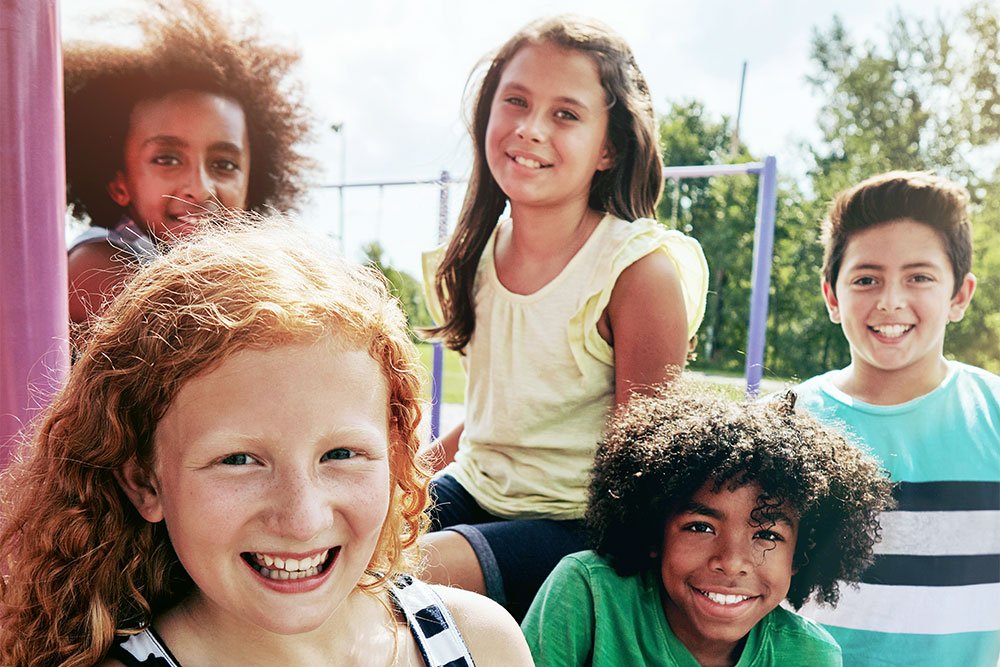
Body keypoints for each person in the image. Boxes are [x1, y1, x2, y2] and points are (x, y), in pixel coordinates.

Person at [0, 218, 532, 667]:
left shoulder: (483, 644)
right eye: (238, 460)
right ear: (145, 482)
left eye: (341, 454)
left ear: (394, 458)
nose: (302, 519)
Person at [419, 14, 709, 620]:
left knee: (409, 567)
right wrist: (401, 477)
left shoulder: (636, 271)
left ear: (608, 147)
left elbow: (645, 464)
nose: (529, 129)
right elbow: (493, 421)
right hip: (476, 491)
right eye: (516, 102)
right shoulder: (475, 258)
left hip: (577, 523)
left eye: (566, 114)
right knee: (349, 531)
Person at [522, 381, 894, 666]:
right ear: (655, 531)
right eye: (700, 526)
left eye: (766, 534)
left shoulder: (809, 655)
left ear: (800, 557)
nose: (731, 561)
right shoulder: (588, 595)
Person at [792, 171, 1000, 666]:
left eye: (919, 277)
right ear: (832, 296)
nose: (890, 300)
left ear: (959, 296)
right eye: (866, 279)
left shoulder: (993, 414)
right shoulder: (786, 424)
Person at [65, 0, 312, 330]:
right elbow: (198, 340)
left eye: (223, 164)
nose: (200, 187)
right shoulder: (97, 265)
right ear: (119, 183)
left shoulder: (227, 273)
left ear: (251, 185)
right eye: (167, 159)